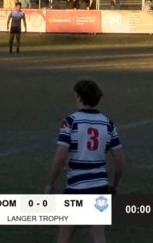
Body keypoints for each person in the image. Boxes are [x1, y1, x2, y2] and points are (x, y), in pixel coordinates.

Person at [45, 80, 125, 243]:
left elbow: (60, 157)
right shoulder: (107, 123)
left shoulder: (71, 121)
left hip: (77, 185)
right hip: (100, 185)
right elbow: (120, 161)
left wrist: (50, 183)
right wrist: (115, 185)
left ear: (80, 97)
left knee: (65, 234)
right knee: (98, 233)